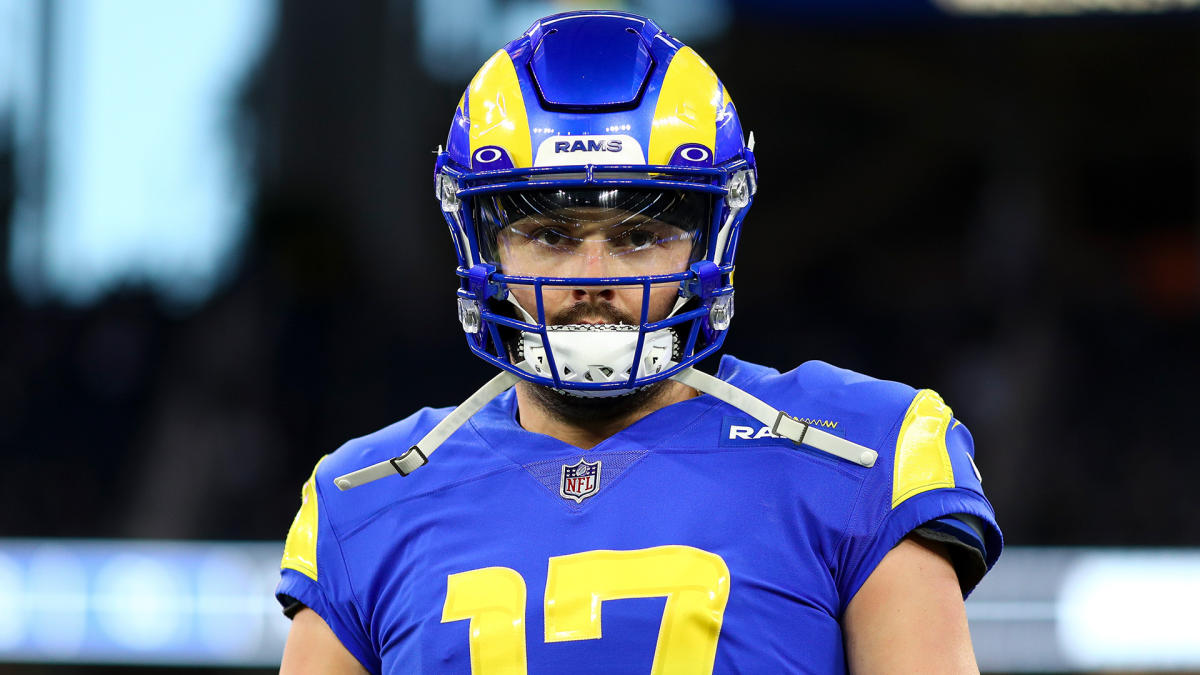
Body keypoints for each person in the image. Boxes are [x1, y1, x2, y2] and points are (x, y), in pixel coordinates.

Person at [276, 10, 1001, 674]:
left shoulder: (861, 452)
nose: (593, 277)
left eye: (640, 235)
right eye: (552, 236)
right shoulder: (364, 495)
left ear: (708, 240)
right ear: (486, 244)